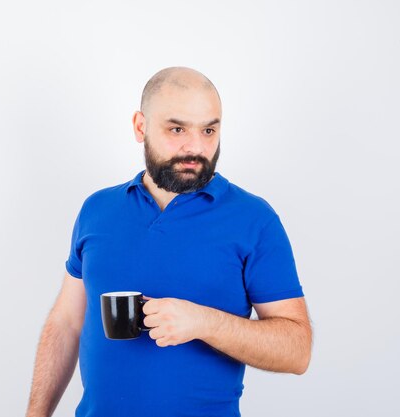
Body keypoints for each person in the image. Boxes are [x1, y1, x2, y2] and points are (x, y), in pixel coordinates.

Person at [25, 67, 312, 417]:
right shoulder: (97, 210)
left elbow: (297, 351)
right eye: (177, 129)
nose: (195, 147)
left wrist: (203, 322)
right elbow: (66, 323)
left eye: (209, 130)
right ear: (140, 126)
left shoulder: (254, 219)